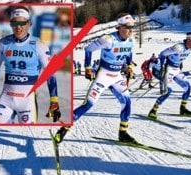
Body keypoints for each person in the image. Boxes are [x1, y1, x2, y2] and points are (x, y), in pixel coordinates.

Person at [54, 13, 137, 144]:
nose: (132, 30)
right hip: (103, 75)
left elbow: (128, 52)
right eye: (128, 27)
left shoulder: (131, 40)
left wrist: (129, 66)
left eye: (133, 27)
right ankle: (63, 129)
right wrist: (88, 67)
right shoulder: (108, 40)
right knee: (89, 104)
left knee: (127, 102)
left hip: (116, 76)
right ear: (119, 27)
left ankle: (123, 133)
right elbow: (88, 49)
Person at [0, 6, 60, 124]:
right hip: (6, 98)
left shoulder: (39, 45)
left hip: (27, 102)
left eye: (22, 23)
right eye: (14, 23)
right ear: (10, 24)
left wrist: (54, 101)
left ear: (29, 24)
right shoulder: (3, 43)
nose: (18, 27)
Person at [148, 32, 191, 118]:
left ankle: (183, 109)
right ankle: (153, 110)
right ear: (189, 40)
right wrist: (162, 67)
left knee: (188, 88)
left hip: (177, 69)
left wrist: (181, 70)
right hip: (169, 69)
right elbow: (163, 54)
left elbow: (179, 60)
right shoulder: (178, 47)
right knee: (168, 92)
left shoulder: (189, 49)